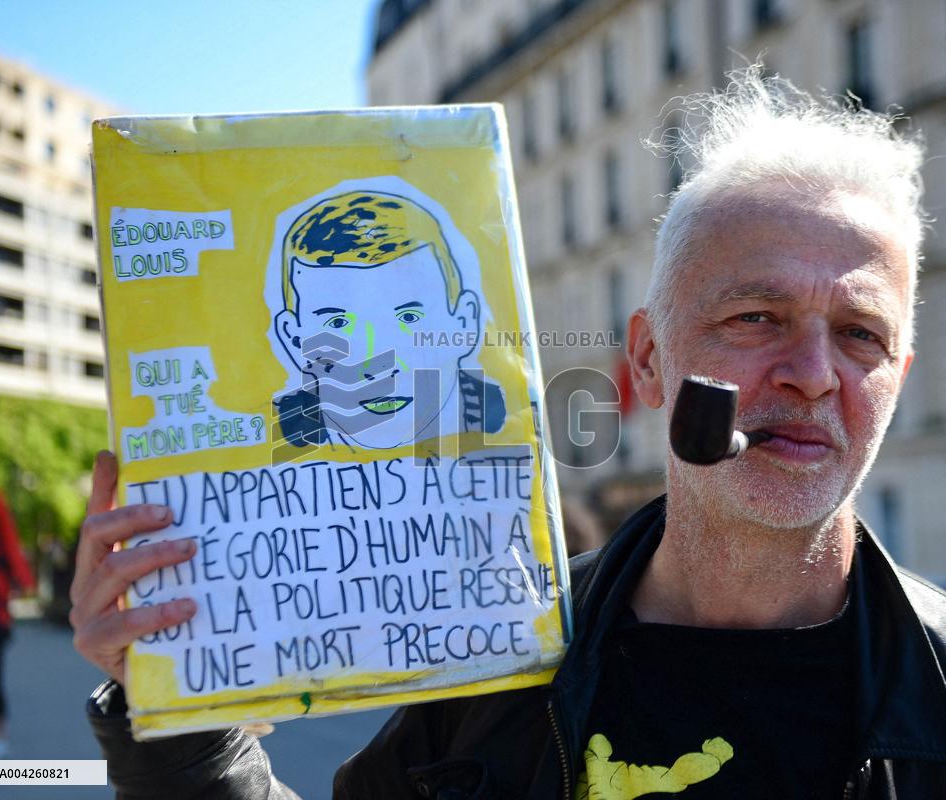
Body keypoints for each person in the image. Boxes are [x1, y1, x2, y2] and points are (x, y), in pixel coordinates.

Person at [72, 69, 946, 798]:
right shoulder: (505, 647)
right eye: (756, 317)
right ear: (646, 360)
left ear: (897, 381)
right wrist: (178, 716)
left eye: (862, 334)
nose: (814, 372)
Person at [267, 186, 505, 450]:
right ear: (293, 338)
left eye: (410, 317)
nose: (377, 364)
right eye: (337, 324)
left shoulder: (512, 429)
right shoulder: (262, 447)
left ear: (464, 323)